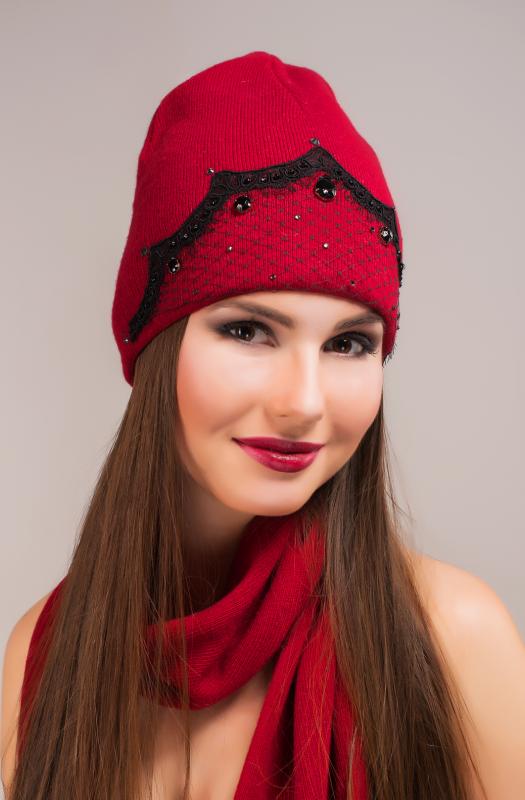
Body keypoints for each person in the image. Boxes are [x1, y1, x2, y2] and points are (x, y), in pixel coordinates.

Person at [1, 50, 524, 800]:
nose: (303, 402)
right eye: (248, 331)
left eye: (349, 343)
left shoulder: (452, 641)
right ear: (154, 347)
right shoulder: (44, 655)